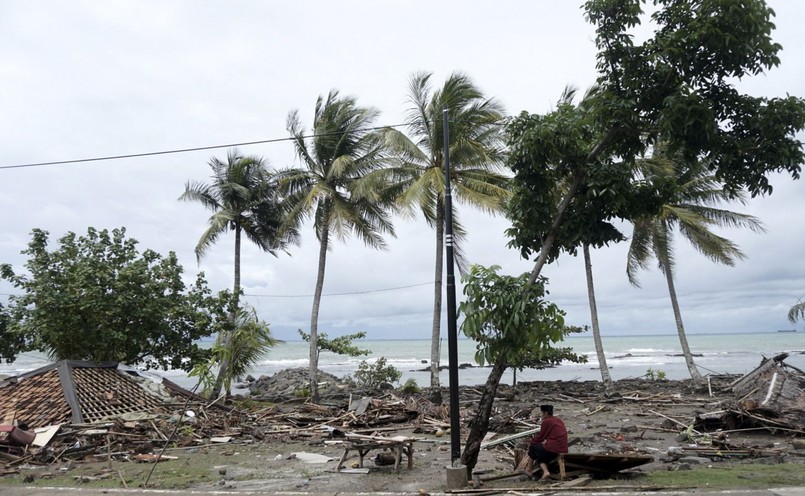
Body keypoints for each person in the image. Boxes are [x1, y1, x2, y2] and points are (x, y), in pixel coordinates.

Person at [525, 404, 568, 481]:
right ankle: (531, 470)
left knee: (534, 447)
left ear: (545, 413)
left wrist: (532, 442)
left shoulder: (547, 421)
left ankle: (532, 470)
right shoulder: (558, 420)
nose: (542, 415)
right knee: (538, 450)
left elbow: (541, 436)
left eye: (542, 413)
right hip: (563, 449)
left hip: (553, 449)